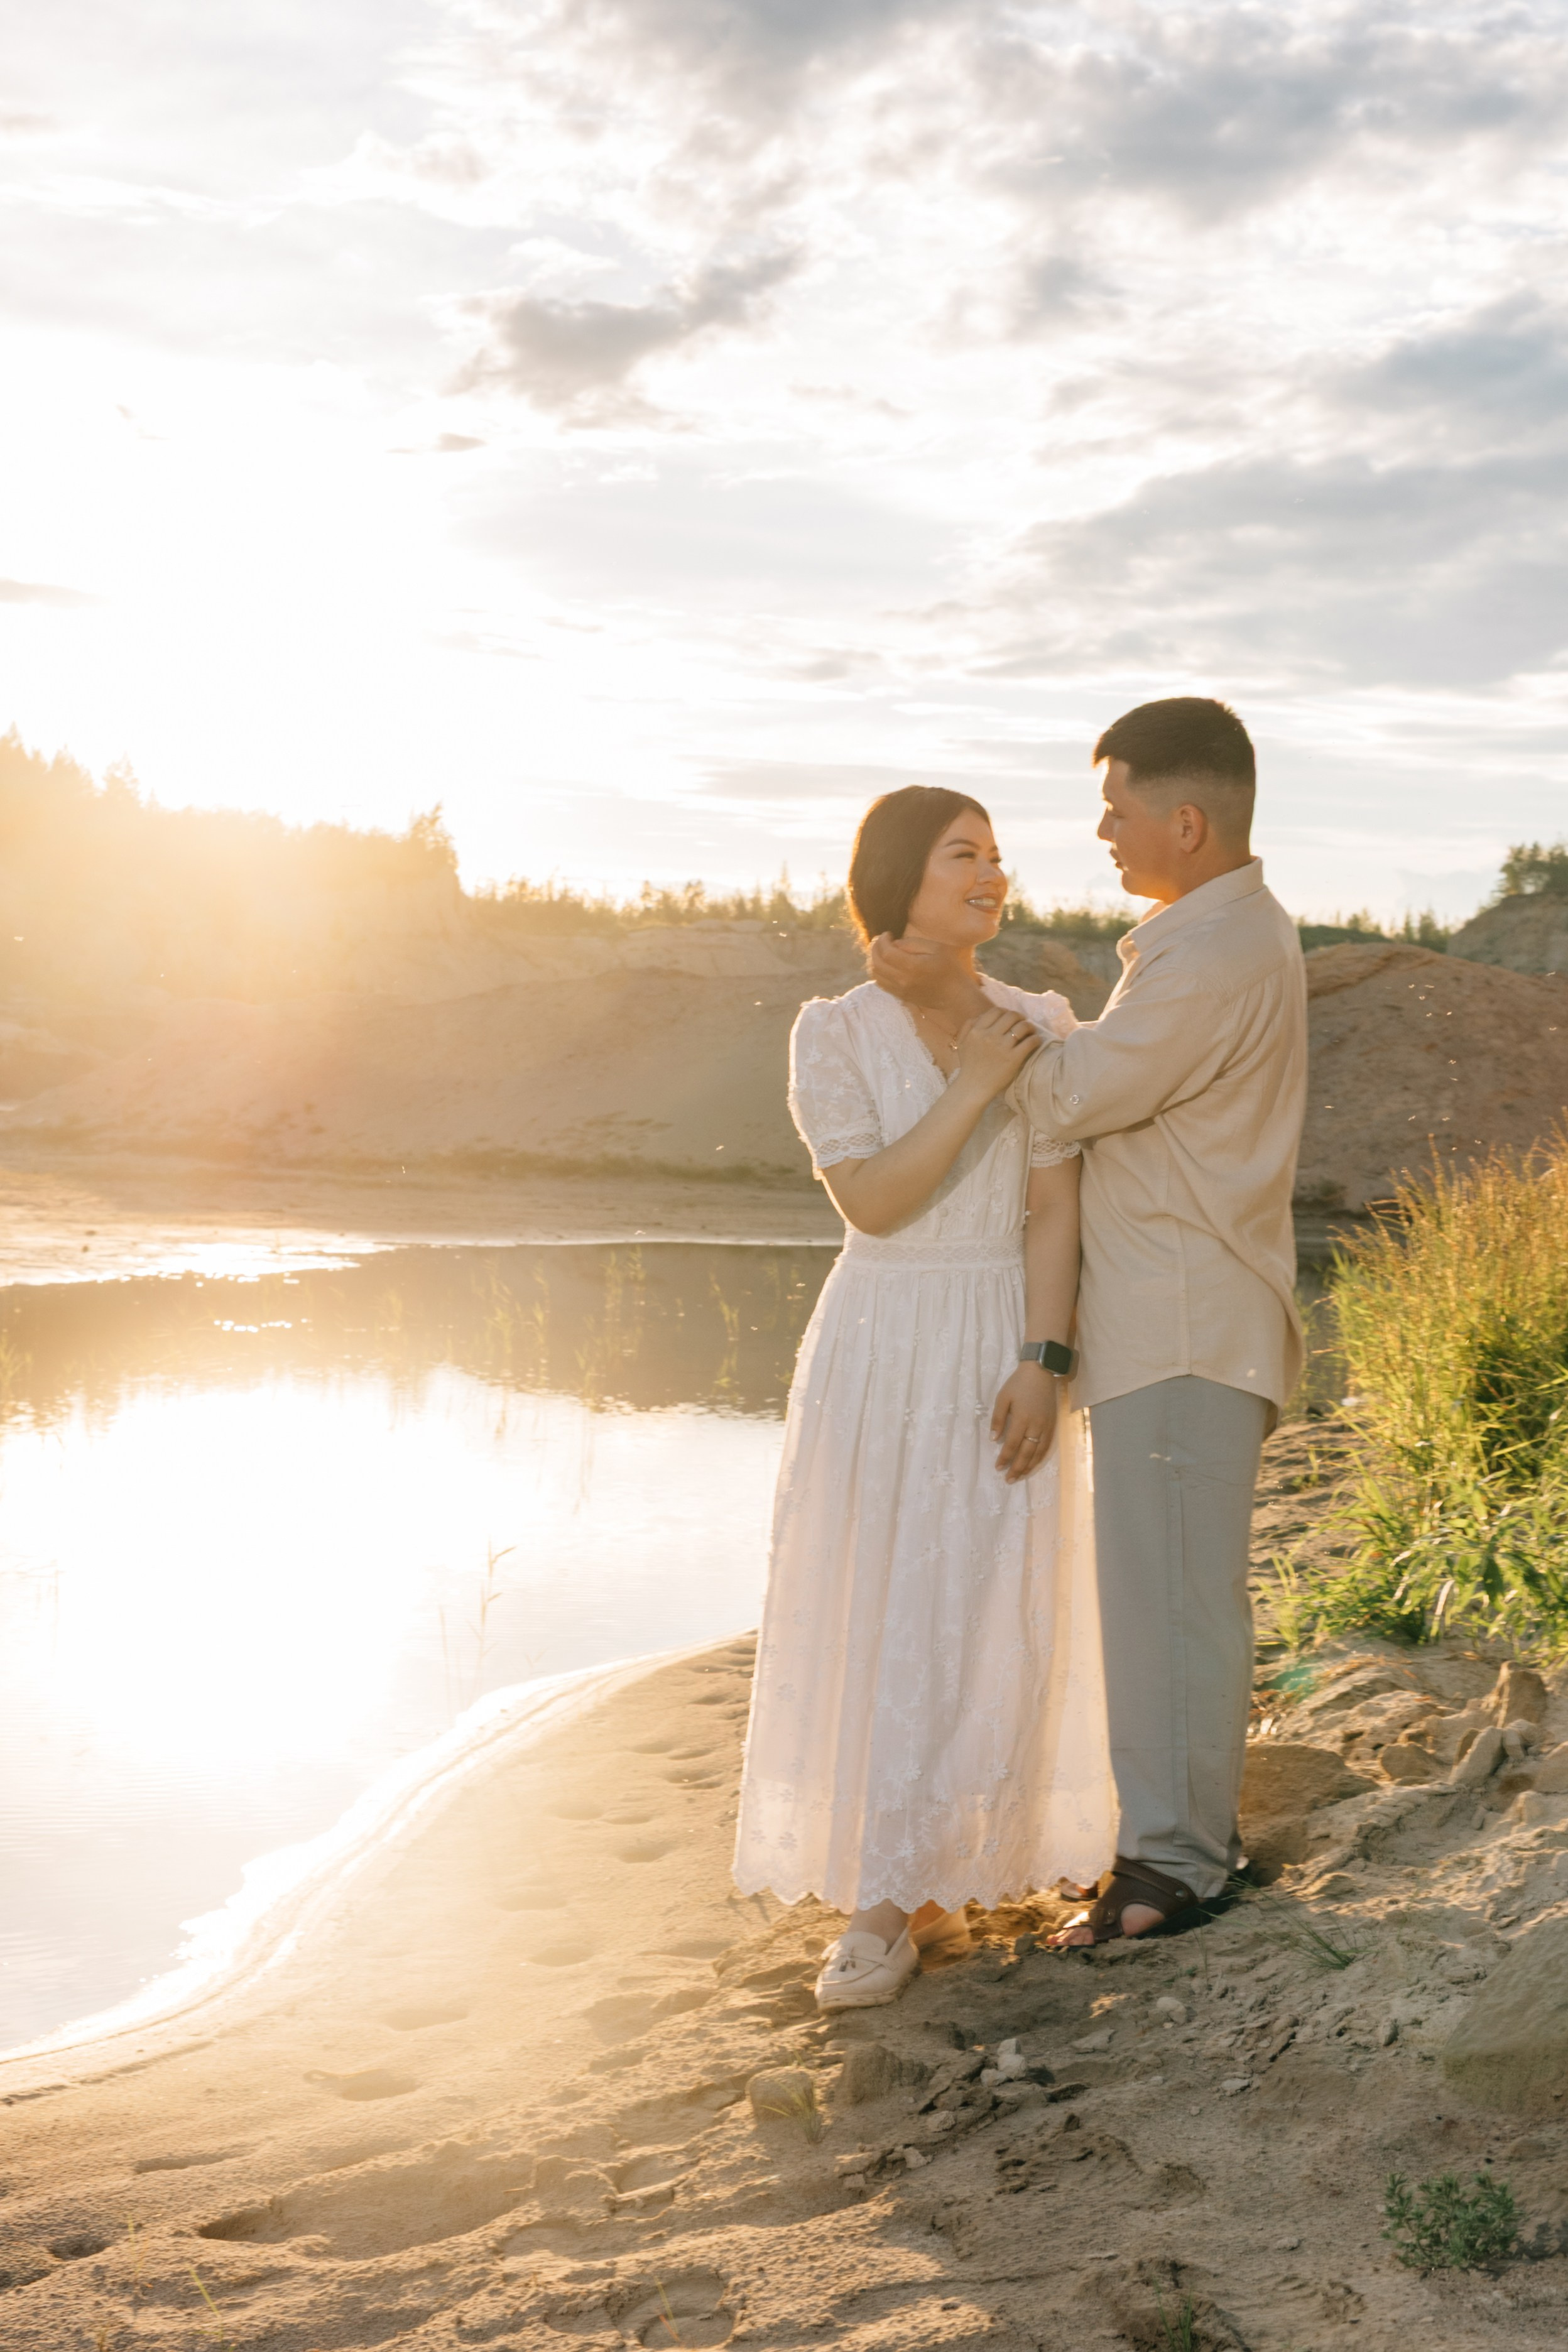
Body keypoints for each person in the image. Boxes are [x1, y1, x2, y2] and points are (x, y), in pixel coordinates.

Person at [872, 699, 1307, 1944]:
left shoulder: (1216, 953)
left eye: (1115, 805)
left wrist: (949, 997)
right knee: (1184, 1595)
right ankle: (1189, 1843)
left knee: (1169, 1600)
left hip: (1181, 1323)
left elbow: (1061, 1091)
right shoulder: (1206, 939)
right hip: (1182, 1322)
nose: (1100, 828)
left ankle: (1170, 1872)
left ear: (1187, 817)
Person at [732, 785, 1113, 2009]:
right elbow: (875, 1203)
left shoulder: (1042, 1019)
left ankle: (985, 1855)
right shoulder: (831, 1031)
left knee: (996, 1587)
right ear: (900, 875)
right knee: (894, 1598)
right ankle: (882, 1904)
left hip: (1003, 1326)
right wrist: (971, 1088)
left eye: (998, 856)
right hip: (886, 1340)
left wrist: (1045, 1361)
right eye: (964, 856)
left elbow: (1056, 1205)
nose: (992, 875)